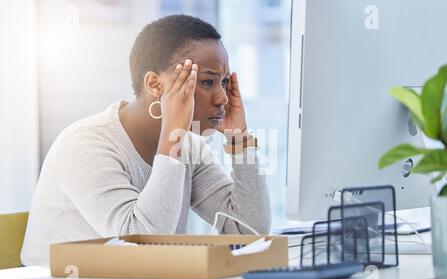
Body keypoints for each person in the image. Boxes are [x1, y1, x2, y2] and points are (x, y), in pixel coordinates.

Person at [21, 14, 271, 266]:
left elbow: (248, 233)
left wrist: (240, 141)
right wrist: (172, 139)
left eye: (224, 82)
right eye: (207, 82)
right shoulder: (85, 145)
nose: (223, 98)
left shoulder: (189, 148)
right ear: (155, 84)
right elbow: (141, 245)